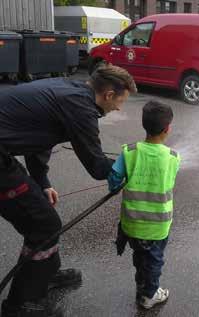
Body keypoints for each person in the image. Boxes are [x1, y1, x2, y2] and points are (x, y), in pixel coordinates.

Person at [0, 64, 137, 317]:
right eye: (119, 101)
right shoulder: (81, 107)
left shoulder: (71, 90)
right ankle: (20, 304)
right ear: (108, 95)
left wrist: (42, 183)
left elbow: (39, 138)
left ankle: (44, 275)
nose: (119, 108)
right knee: (44, 224)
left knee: (43, 219)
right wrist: (128, 168)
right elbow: (96, 165)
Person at [108, 101, 181, 310]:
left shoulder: (129, 152)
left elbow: (114, 178)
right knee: (155, 260)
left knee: (140, 254)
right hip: (157, 226)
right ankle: (150, 295)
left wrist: (115, 185)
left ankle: (142, 282)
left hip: (131, 222)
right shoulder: (173, 157)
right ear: (167, 129)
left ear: (144, 125)